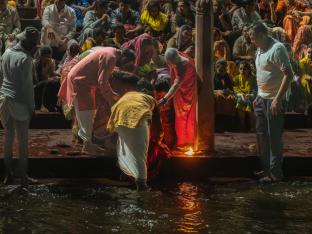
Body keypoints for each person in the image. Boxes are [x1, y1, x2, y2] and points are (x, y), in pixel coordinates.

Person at [58, 47, 136, 154]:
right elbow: (102, 82)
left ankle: (88, 143)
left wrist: (112, 95)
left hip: (82, 80)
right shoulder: (111, 57)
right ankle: (87, 146)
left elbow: (103, 82)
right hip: (80, 81)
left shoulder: (110, 52)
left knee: (88, 112)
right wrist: (111, 102)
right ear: (124, 57)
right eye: (126, 63)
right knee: (86, 113)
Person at [249, 22, 293, 182]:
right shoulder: (259, 49)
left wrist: (277, 99)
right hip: (262, 97)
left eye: (253, 37)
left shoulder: (277, 49)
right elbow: (261, 72)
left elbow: (289, 74)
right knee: (261, 135)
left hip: (275, 99)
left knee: (273, 136)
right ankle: (266, 169)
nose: (251, 41)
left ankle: (276, 173)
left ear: (262, 35)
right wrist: (257, 96)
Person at [0, 27, 40, 187]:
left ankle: (7, 174)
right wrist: (32, 107)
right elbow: (27, 88)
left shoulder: (7, 53)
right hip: (19, 103)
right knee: (23, 142)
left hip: (4, 99)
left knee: (8, 139)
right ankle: (23, 176)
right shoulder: (26, 59)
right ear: (32, 45)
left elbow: (1, 77)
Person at [107, 78, 156, 191]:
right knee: (140, 154)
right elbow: (157, 124)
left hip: (118, 119)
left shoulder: (128, 94)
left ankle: (124, 175)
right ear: (148, 92)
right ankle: (142, 185)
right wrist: (159, 138)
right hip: (136, 118)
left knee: (124, 146)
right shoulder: (150, 99)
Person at [159, 48, 196, 151]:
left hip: (185, 92)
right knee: (186, 117)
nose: (170, 67)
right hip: (185, 90)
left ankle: (183, 144)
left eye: (170, 64)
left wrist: (164, 99)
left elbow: (176, 85)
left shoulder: (182, 66)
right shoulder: (180, 56)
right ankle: (186, 142)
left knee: (182, 117)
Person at [233, 61, 257, 130]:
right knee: (240, 101)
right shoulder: (236, 78)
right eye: (241, 68)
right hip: (240, 96)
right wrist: (241, 95)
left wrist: (249, 96)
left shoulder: (253, 78)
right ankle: (242, 125)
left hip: (251, 96)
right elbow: (235, 89)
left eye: (245, 69)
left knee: (250, 102)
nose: (242, 70)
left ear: (248, 70)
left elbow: (255, 91)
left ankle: (253, 126)